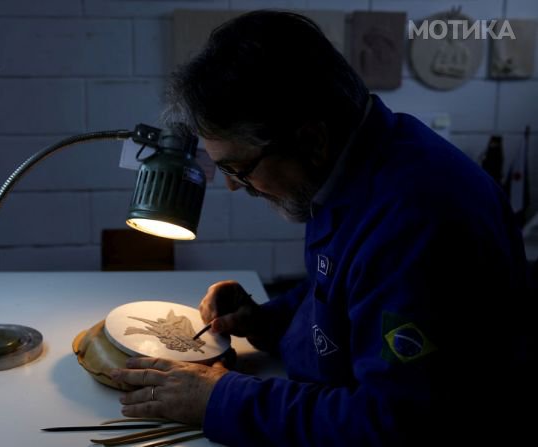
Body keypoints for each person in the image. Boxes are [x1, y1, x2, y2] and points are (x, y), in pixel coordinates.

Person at [109, 10, 535, 446]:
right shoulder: (357, 165)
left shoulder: (416, 221)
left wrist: (221, 400)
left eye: (240, 168)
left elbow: (394, 423)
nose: (236, 188)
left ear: (312, 140)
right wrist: (266, 319)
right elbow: (349, 295)